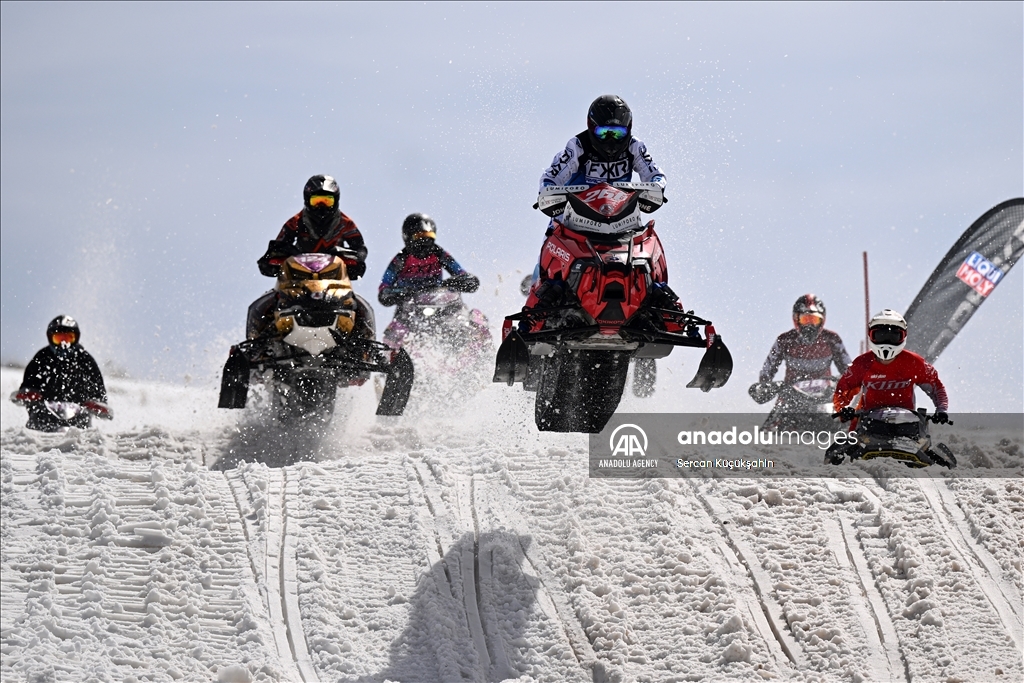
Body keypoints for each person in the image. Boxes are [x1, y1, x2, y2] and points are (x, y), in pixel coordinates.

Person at [248, 175, 373, 339]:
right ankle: (254, 347)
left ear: (336, 200)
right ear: (307, 200)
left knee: (362, 308)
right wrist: (272, 259)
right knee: (261, 306)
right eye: (317, 201)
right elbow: (277, 246)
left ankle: (370, 350)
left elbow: (360, 248)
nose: (321, 207)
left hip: (334, 281)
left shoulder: (346, 223)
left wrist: (353, 258)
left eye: (326, 201)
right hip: (297, 280)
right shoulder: (295, 222)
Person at [833, 308, 949, 423]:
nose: (886, 342)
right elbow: (842, 390)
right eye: (880, 335)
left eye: (894, 336)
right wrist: (843, 410)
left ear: (903, 337)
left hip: (907, 425)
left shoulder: (914, 362)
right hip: (868, 424)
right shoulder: (861, 363)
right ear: (870, 335)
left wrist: (941, 410)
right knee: (846, 440)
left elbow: (936, 387)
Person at [10, 316, 111, 431]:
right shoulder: (42, 357)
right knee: (35, 427)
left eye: (68, 339)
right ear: (50, 338)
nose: (63, 344)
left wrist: (97, 403)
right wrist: (28, 394)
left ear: (76, 339)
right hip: (43, 416)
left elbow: (98, 389)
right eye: (58, 339)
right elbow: (29, 383)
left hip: (78, 420)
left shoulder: (85, 360)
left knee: (85, 436)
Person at [750, 294, 851, 406]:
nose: (810, 326)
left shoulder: (832, 339)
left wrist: (849, 381)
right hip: (790, 400)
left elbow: (849, 369)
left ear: (822, 321)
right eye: (805, 320)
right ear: (796, 319)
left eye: (814, 320)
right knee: (772, 422)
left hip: (825, 399)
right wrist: (765, 386)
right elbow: (768, 368)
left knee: (848, 420)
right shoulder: (784, 340)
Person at [378, 214, 479, 307]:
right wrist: (396, 292)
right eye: (420, 237)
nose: (425, 242)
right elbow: (384, 286)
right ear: (408, 237)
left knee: (471, 317)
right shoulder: (400, 259)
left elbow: (460, 272)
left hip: (441, 302)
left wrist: (464, 280)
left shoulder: (439, 254)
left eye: (429, 237)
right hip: (409, 309)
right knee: (394, 327)